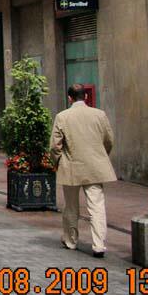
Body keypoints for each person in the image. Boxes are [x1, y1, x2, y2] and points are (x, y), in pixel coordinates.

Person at [51, 83, 116, 258]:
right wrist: (101, 156)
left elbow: (55, 145)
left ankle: (71, 240)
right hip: (95, 166)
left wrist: (57, 161)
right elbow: (109, 140)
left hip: (71, 166)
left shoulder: (62, 117)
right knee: (97, 206)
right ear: (85, 96)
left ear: (69, 98)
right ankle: (99, 244)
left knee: (71, 206)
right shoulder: (99, 115)